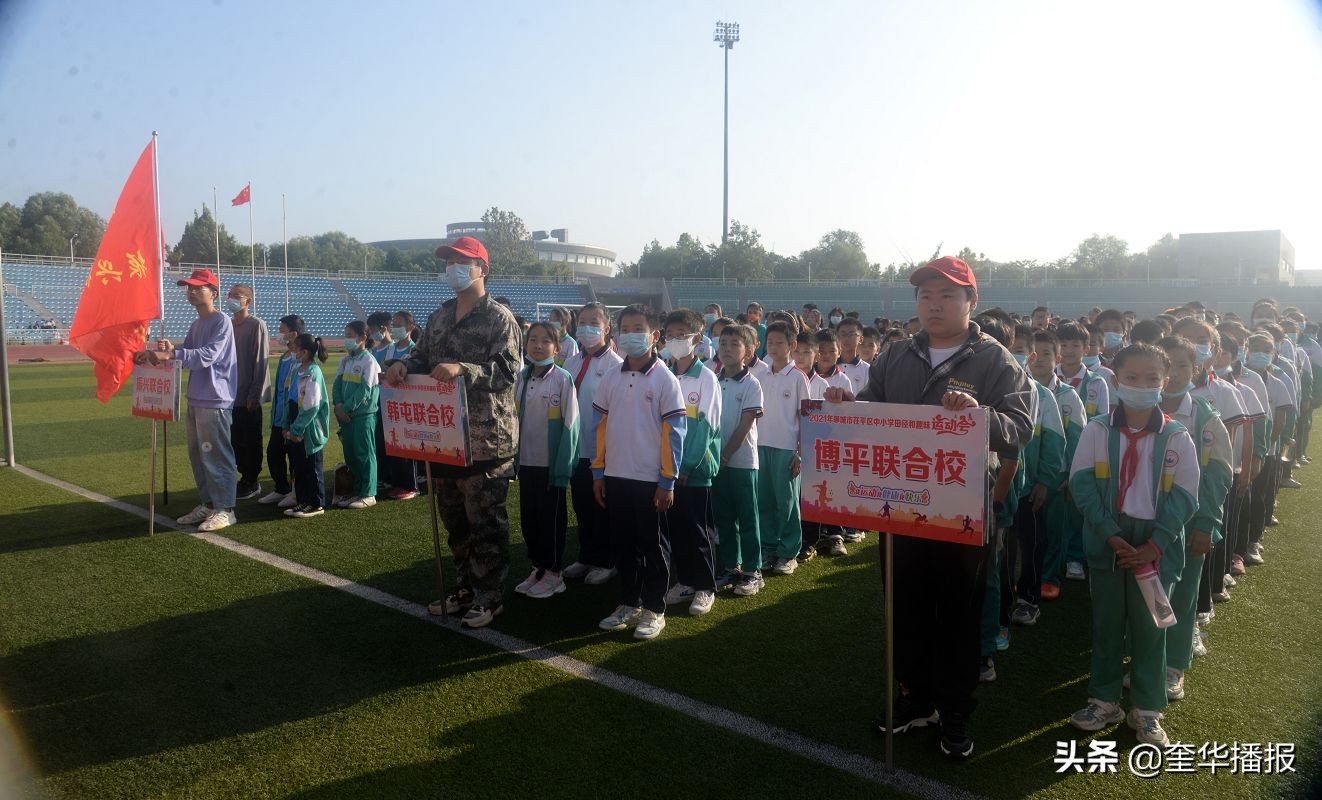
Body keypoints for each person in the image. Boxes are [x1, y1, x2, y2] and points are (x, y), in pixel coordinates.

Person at [827, 256, 1034, 760]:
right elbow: (873, 406)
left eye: (947, 295)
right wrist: (846, 405)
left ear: (971, 301)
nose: (934, 305)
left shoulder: (995, 360)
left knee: (958, 614)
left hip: (960, 511)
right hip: (897, 507)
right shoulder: (897, 354)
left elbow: (1020, 428)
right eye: (925, 296)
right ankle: (915, 696)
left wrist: (981, 417)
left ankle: (956, 708)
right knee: (904, 606)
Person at [386, 235, 522, 629]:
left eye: (462, 262)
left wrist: (464, 369)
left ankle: (489, 596)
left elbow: (507, 371)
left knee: (486, 524)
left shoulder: (499, 318)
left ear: (482, 269)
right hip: (445, 438)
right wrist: (403, 366)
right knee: (455, 521)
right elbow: (421, 357)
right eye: (449, 262)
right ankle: (465, 587)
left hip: (486, 440)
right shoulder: (440, 317)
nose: (453, 269)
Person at [1068, 343, 1199, 748]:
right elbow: (1082, 485)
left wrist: (1154, 545)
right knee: (1106, 625)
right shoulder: (1097, 430)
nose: (1141, 386)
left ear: (1165, 382)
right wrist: (1111, 535)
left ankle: (1147, 710)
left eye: (1151, 379)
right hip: (1109, 543)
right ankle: (1104, 700)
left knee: (1150, 630)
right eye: (1131, 378)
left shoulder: (1177, 436)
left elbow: (1186, 496)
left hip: (1156, 548)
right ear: (1116, 379)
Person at [590, 304, 687, 640]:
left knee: (654, 546)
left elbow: (675, 434)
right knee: (624, 545)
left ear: (654, 335)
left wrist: (667, 480)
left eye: (638, 329)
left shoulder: (665, 379)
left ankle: (655, 608)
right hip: (616, 476)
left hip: (650, 480)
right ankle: (629, 602)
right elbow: (599, 427)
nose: (630, 335)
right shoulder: (610, 377)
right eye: (625, 329)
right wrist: (598, 472)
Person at [1157, 335, 1231, 701]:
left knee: (1183, 597)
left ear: (1196, 368)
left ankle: (1174, 666)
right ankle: (1148, 661)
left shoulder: (1204, 416)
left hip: (1189, 523)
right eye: (1168, 366)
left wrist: (1207, 523)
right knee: (1149, 595)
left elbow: (1219, 474)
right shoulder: (1141, 409)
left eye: (1183, 366)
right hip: (1148, 521)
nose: (1174, 374)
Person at [141, 269, 240, 533]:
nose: (192, 292)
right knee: (199, 455)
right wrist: (167, 352)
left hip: (215, 398)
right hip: (196, 397)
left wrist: (173, 354)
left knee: (216, 455)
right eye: (189, 288)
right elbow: (186, 356)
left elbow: (208, 355)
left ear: (213, 293)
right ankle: (209, 503)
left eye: (198, 288)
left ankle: (226, 509)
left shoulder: (222, 321)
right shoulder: (197, 325)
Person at [660, 309, 722, 616]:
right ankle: (685, 581)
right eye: (669, 335)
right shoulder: (666, 375)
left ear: (697, 339)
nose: (674, 340)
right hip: (668, 469)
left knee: (699, 530)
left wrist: (685, 466)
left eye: (680, 335)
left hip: (694, 471)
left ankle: (705, 587)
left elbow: (706, 428)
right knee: (677, 530)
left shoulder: (706, 378)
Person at [513, 321, 580, 600]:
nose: (538, 346)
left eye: (545, 341)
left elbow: (571, 426)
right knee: (530, 519)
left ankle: (554, 573)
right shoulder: (521, 378)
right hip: (526, 463)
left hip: (550, 467)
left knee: (551, 520)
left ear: (557, 347)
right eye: (533, 340)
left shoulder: (563, 379)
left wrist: (562, 468)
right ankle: (538, 567)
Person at [561, 302, 624, 584]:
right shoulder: (572, 362)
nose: (586, 328)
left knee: (603, 506)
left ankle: (607, 560)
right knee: (582, 504)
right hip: (577, 449)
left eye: (593, 323)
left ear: (606, 329)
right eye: (582, 322)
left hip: (603, 451)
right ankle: (587, 555)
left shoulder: (616, 366)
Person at [712, 323, 764, 595]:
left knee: (747, 517)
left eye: (735, 344)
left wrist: (724, 455)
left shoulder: (752, 384)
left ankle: (754, 571)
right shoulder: (713, 380)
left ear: (748, 351)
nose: (727, 349)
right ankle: (732, 567)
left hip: (742, 461)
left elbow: (745, 426)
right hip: (716, 462)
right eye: (723, 344)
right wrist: (715, 457)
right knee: (724, 517)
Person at [756, 320, 811, 576]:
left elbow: (806, 418)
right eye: (770, 342)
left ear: (792, 345)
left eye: (780, 342)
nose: (774, 347)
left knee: (787, 502)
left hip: (787, 448)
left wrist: (800, 453)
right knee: (764, 500)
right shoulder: (760, 375)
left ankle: (789, 552)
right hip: (760, 445)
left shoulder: (798, 377)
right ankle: (769, 548)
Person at [225, 283, 270, 501]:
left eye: (237, 296)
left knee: (250, 440)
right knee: (235, 440)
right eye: (230, 295)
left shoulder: (256, 325)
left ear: (248, 301)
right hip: (229, 395)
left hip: (248, 396)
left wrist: (254, 394)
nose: (231, 299)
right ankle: (243, 477)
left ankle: (252, 480)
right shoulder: (227, 324)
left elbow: (260, 361)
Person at [259, 315, 306, 508]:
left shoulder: (301, 358)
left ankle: (296, 492)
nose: (279, 334)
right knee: (274, 453)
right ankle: (281, 488)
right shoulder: (284, 357)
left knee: (295, 456)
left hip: (293, 417)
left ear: (293, 334)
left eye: (282, 330)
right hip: (279, 417)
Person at [334, 320, 382, 509]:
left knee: (365, 454)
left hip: (363, 416)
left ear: (362, 338)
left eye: (350, 335)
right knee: (351, 455)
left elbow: (365, 391)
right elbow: (337, 385)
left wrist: (345, 409)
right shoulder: (345, 360)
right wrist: (338, 406)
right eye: (345, 335)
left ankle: (369, 493)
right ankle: (356, 490)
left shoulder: (369, 361)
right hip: (346, 417)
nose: (346, 339)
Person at [284, 333, 331, 518]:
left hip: (309, 429)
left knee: (312, 467)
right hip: (296, 424)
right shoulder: (297, 370)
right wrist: (286, 425)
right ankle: (303, 501)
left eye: (296, 348)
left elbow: (311, 406)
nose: (293, 351)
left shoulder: (313, 372)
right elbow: (290, 399)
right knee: (299, 467)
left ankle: (316, 503)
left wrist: (297, 429)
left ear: (304, 352)